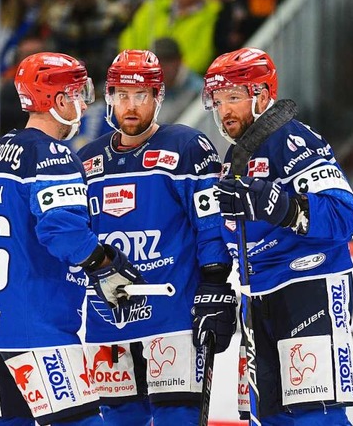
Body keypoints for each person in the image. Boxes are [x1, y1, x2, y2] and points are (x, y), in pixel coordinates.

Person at [0, 52, 146, 426]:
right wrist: (105, 263)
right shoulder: (52, 154)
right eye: (78, 93)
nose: (83, 103)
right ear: (59, 100)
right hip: (39, 329)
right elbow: (61, 231)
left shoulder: (0, 150)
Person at [76, 49, 236, 425]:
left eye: (142, 96)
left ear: (158, 97)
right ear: (109, 98)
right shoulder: (86, 160)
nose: (131, 106)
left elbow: (210, 221)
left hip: (174, 319)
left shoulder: (186, 146)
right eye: (123, 96)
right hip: (108, 320)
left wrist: (214, 280)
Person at [203, 47, 353, 425]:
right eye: (219, 100)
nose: (225, 111)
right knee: (267, 415)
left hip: (310, 283)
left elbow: (344, 217)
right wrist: (214, 282)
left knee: (314, 412)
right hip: (257, 293)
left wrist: (286, 208)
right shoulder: (234, 158)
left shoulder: (295, 141)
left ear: (261, 94)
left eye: (234, 97)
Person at [118, 0, 223, 75]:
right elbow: (131, 38)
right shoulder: (155, 5)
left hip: (179, 82)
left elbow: (200, 58)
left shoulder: (213, 14)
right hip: (138, 74)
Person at [152, 37, 204, 123]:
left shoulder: (198, 91)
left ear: (179, 61)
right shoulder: (147, 87)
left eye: (167, 61)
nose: (161, 68)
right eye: (156, 63)